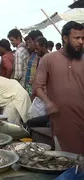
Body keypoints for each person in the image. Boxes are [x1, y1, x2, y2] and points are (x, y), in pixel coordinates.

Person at [35, 21, 84, 154]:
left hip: (81, 118)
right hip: (61, 121)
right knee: (66, 161)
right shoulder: (48, 59)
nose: (81, 42)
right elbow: (38, 86)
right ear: (65, 38)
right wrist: (48, 103)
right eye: (76, 38)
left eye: (83, 38)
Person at [24, 30, 43, 97]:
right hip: (29, 89)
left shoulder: (42, 56)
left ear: (36, 41)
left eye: (30, 42)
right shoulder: (33, 54)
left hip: (36, 92)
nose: (28, 45)